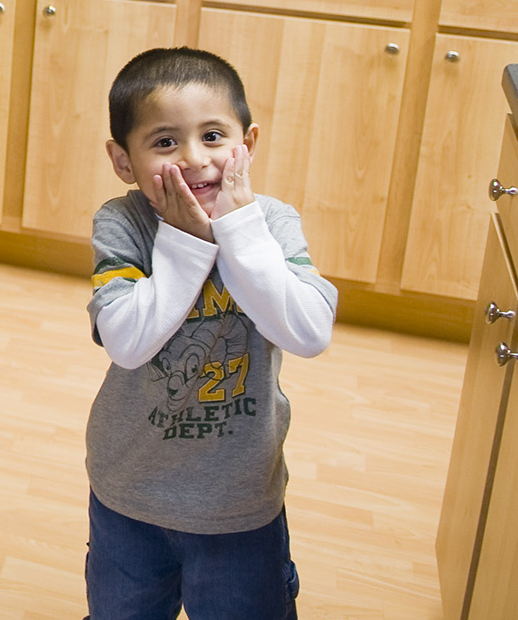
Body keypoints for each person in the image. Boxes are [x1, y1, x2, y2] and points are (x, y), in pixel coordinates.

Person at [85, 47, 335, 620]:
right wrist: (184, 241)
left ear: (247, 144)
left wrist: (238, 230)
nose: (195, 160)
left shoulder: (269, 222)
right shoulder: (123, 223)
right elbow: (126, 342)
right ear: (124, 161)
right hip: (130, 491)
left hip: (240, 500)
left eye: (214, 136)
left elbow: (310, 330)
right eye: (166, 142)